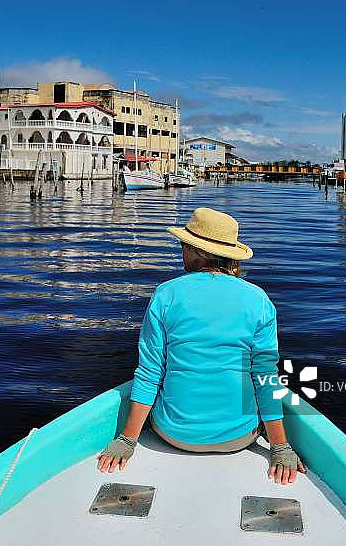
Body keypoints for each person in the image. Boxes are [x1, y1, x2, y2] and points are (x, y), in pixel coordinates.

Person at [97, 207, 306, 485]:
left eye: (184, 245)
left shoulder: (166, 294)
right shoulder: (258, 300)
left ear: (197, 251)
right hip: (239, 438)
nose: (181, 250)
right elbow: (265, 378)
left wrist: (126, 441)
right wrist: (279, 448)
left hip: (172, 435)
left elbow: (149, 372)